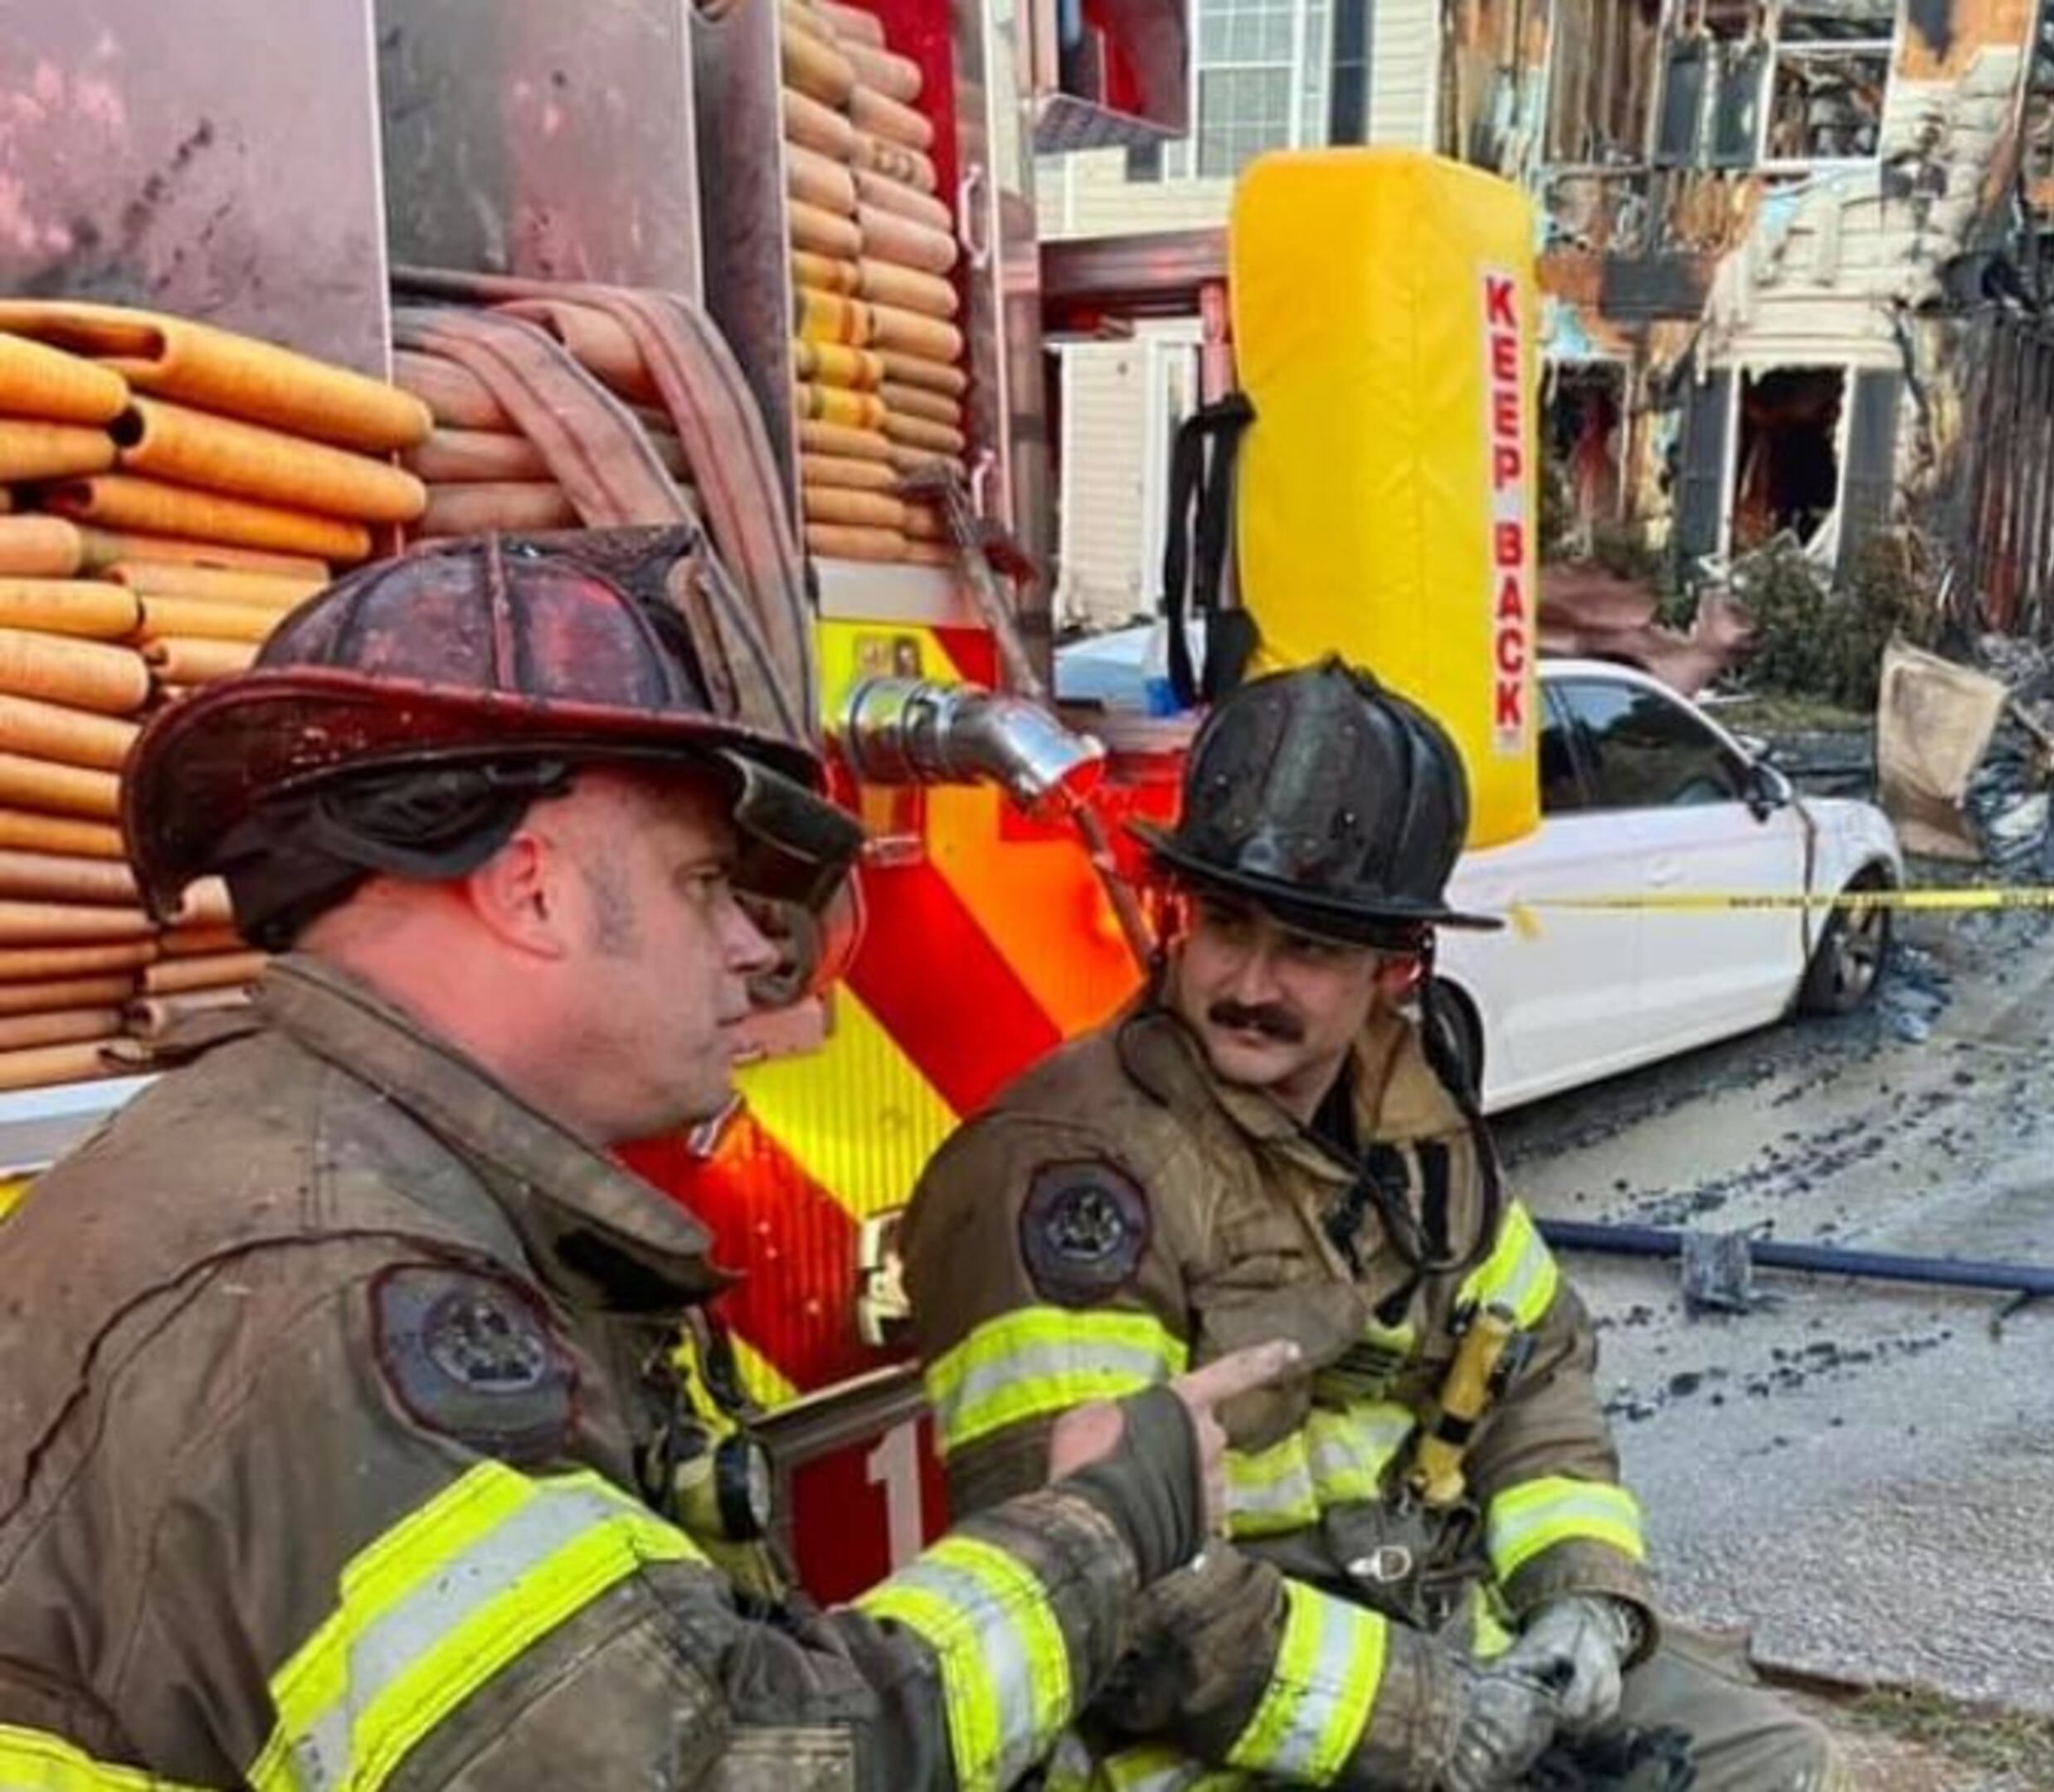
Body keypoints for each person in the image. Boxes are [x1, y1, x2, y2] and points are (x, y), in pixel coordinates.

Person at [0, 533, 1292, 1790]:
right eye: (701, 883)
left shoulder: (307, 1166)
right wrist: (1104, 1528)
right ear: (532, 890)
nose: (754, 948)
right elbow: (718, 1763)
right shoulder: (331, 1290)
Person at [901, 659, 1840, 1790]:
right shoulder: (1066, 1173)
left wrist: (1583, 1600)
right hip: (1199, 1726)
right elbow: (1095, 1591)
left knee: (1774, 1764)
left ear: (1394, 967)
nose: (1251, 982)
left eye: (1310, 947)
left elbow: (1535, 1364)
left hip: (1436, 1632)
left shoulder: (1412, 1118)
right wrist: (1438, 1723)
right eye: (1226, 925)